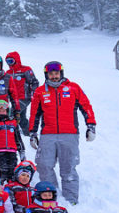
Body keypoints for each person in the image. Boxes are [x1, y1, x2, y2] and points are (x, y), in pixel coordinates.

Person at [28, 61, 96, 205]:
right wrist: (33, 133)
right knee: (44, 165)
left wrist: (91, 125)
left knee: (68, 167)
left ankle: (71, 200)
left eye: (56, 73)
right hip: (47, 135)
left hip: (69, 134)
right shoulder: (40, 91)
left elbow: (86, 106)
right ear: (47, 75)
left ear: (61, 73)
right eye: (51, 74)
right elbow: (34, 114)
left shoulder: (73, 88)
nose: (54, 76)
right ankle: (52, 195)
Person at [0, 100, 25, 183]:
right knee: (2, 170)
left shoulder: (13, 122)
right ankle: (1, 186)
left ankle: (11, 185)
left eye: (3, 111)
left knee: (12, 169)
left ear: (7, 111)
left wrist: (22, 150)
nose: (1, 113)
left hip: (12, 150)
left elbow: (18, 137)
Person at [5, 51, 39, 134]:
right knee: (21, 117)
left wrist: (34, 94)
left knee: (12, 114)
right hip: (14, 99)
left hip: (24, 97)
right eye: (8, 61)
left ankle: (9, 133)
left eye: (11, 61)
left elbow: (34, 82)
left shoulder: (26, 70)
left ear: (16, 60)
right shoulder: (8, 73)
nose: (10, 63)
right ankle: (28, 133)